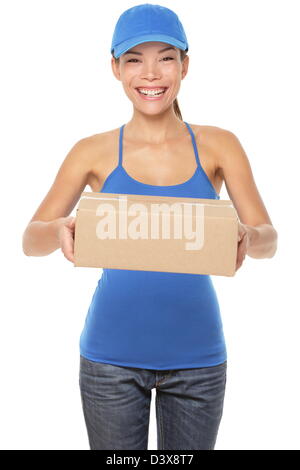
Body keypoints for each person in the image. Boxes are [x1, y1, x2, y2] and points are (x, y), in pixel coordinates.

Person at [22, 3, 278, 450]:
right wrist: (63, 227)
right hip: (109, 362)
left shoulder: (220, 145)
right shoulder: (93, 151)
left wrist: (248, 236)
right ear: (116, 69)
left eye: (165, 57)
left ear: (185, 65)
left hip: (198, 360)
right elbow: (31, 239)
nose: (151, 73)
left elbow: (268, 240)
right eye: (135, 59)